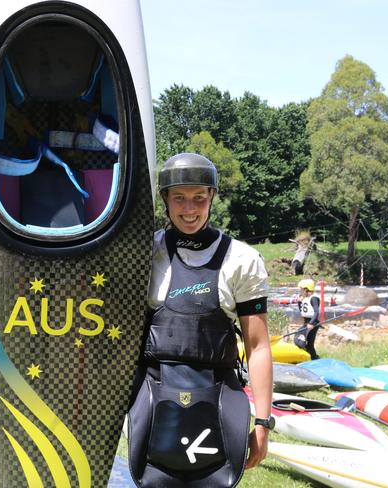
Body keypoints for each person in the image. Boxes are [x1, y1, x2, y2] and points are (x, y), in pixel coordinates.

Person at [128, 153, 273, 487]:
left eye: (199, 198)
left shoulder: (242, 261)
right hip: (153, 402)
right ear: (165, 198)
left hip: (218, 401)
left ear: (212, 197)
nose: (189, 209)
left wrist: (263, 423)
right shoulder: (144, 254)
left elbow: (258, 345)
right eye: (179, 198)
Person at [294, 279, 321, 360]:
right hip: (306, 322)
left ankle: (315, 359)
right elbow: (302, 312)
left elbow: (316, 312)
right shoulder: (305, 298)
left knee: (309, 344)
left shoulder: (313, 298)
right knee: (299, 340)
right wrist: (299, 302)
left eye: (301, 289)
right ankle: (309, 357)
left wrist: (311, 323)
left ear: (306, 289)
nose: (300, 291)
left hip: (313, 323)